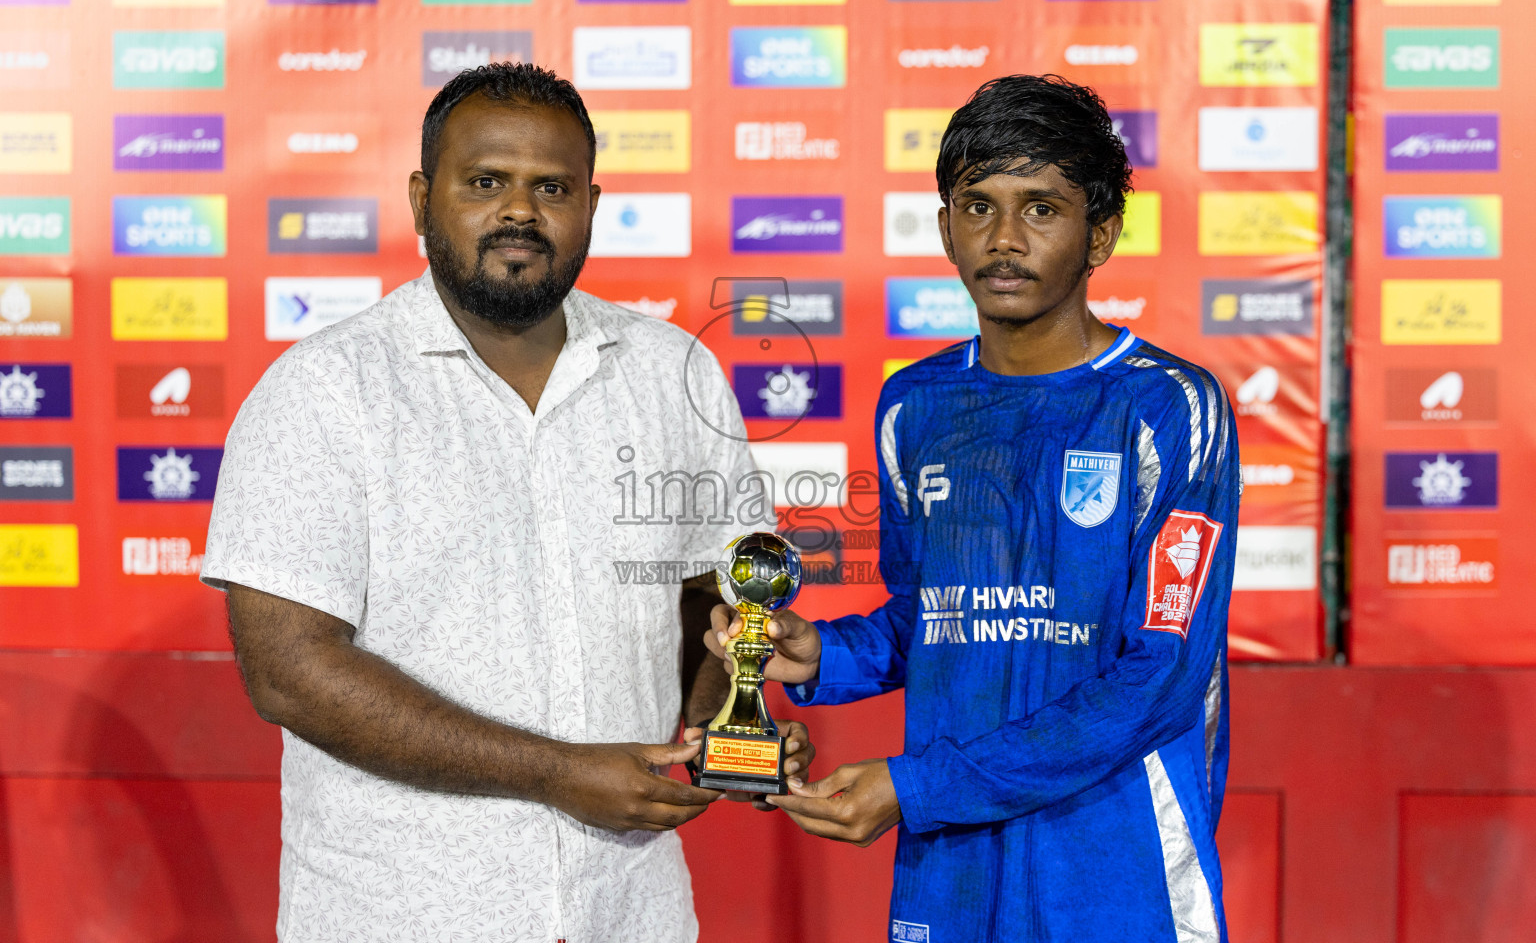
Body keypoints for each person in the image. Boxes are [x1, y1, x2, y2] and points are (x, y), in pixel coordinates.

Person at [202, 63, 809, 942]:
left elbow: (707, 608)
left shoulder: (674, 372)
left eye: (551, 187)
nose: (519, 212)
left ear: (592, 206)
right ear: (421, 199)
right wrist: (555, 771)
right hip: (403, 914)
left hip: (626, 911)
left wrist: (732, 734)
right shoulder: (325, 390)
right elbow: (289, 671)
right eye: (486, 182)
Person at [709, 74, 1241, 942]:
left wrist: (915, 788)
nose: (1004, 239)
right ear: (947, 224)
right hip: (951, 871)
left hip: (1114, 870)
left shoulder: (1171, 406)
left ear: (1100, 232)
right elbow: (932, 620)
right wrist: (814, 657)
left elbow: (1159, 680)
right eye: (978, 205)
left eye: (1041, 209)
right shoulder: (913, 407)